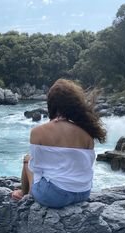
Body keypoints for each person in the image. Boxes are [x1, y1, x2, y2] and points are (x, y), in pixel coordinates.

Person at [12, 79, 106, 208]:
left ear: (51, 104)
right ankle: (27, 193)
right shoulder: (87, 134)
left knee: (27, 159)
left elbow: (36, 168)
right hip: (83, 193)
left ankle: (25, 195)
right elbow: (85, 166)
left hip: (54, 197)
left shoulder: (38, 132)